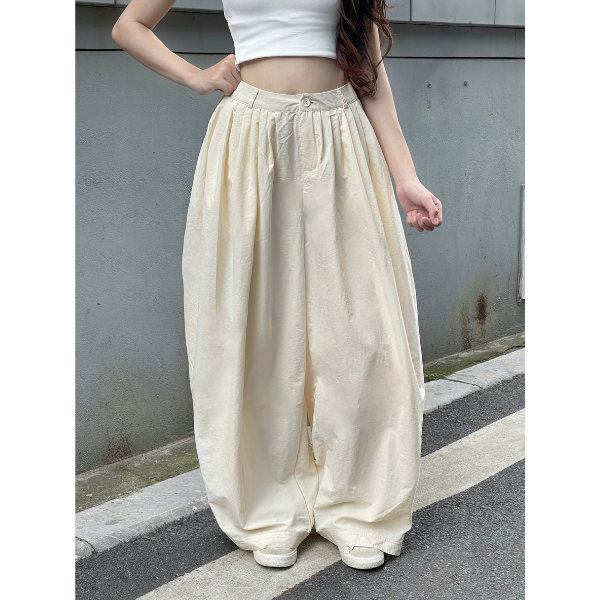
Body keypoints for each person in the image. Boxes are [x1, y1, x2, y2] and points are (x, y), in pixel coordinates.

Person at [112, 0, 442, 571]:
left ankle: (360, 506)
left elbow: (369, 70)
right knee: (255, 332)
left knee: (363, 333)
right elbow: (129, 25)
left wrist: (405, 176)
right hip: (250, 139)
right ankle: (269, 508)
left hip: (342, 135)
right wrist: (196, 77)